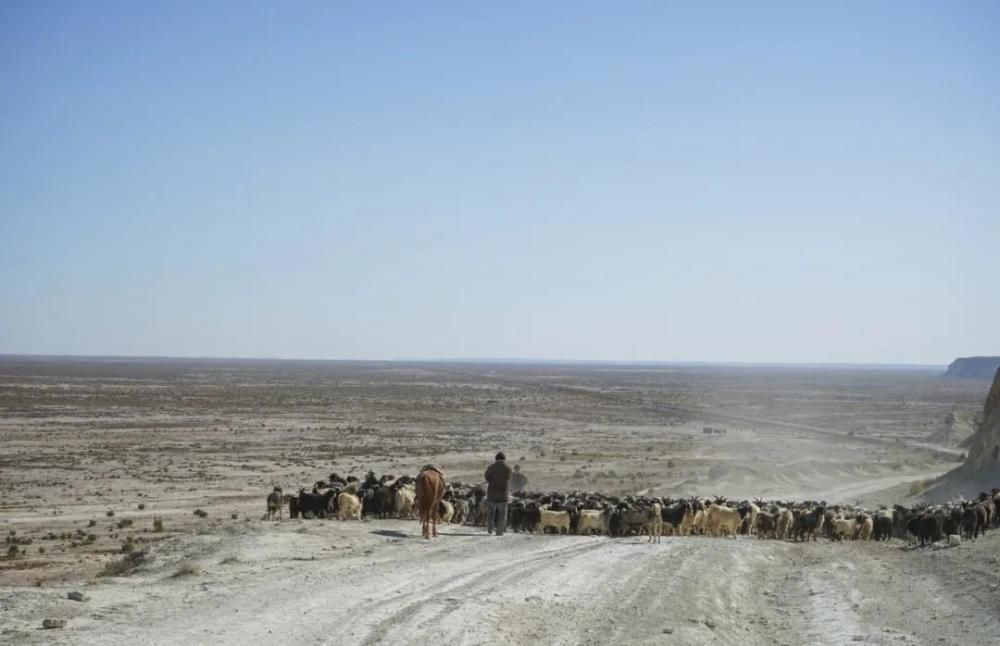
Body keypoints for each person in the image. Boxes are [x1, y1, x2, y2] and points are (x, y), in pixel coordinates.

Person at [483, 451, 512, 536]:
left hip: (492, 494)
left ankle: (489, 529)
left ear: (496, 459)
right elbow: (509, 477)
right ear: (504, 459)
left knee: (490, 513)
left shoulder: (491, 467)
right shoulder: (508, 468)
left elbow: (486, 477)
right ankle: (499, 532)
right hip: (503, 495)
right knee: (502, 515)